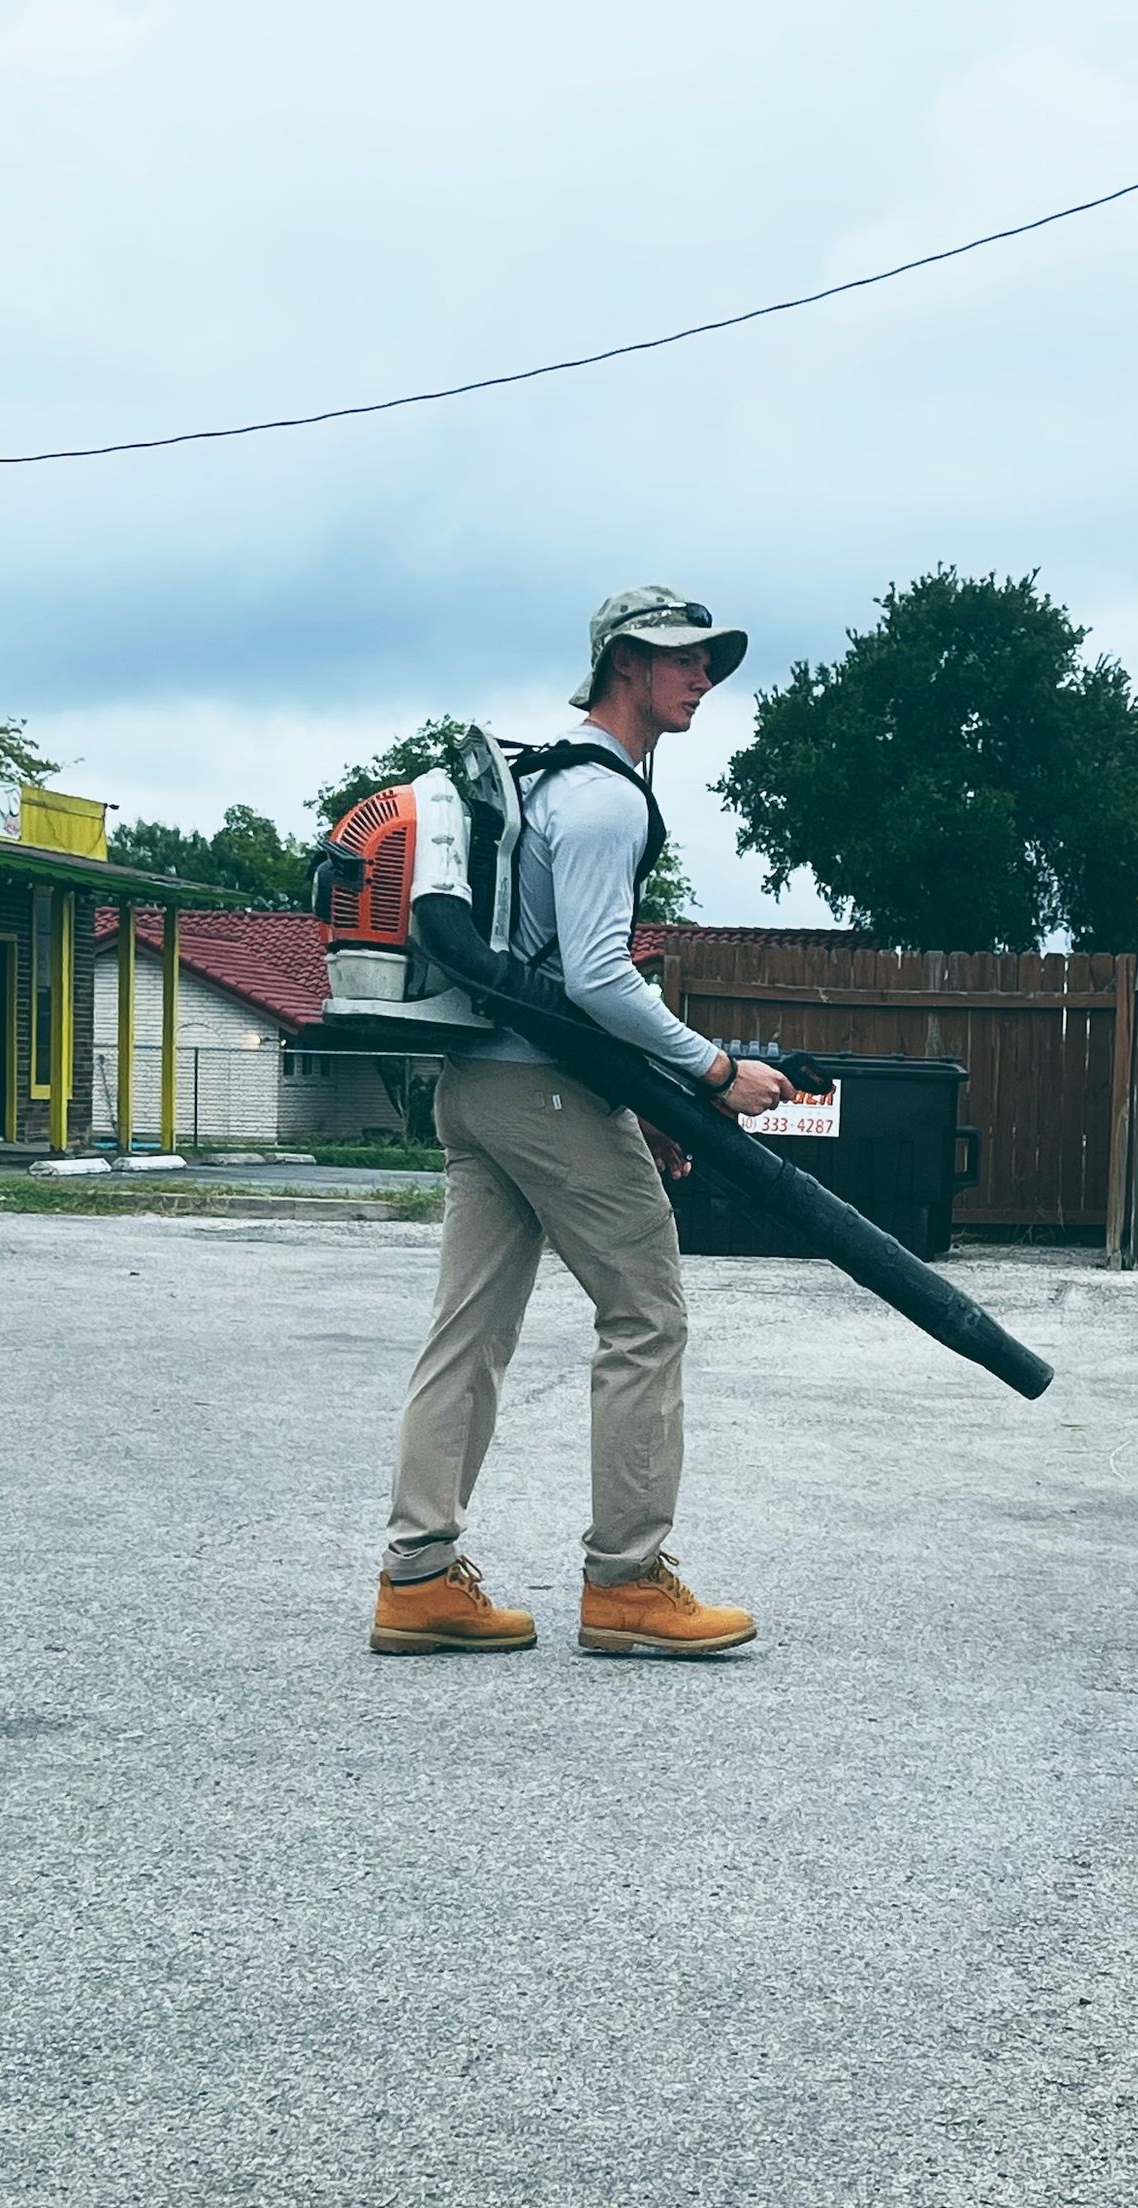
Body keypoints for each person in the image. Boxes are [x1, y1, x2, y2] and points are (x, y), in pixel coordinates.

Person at [369, 586, 793, 1660]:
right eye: (685, 658)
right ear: (625, 664)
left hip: (474, 1083)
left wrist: (636, 1091)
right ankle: (629, 1581)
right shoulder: (604, 797)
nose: (704, 677)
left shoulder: (537, 776)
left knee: (467, 1332)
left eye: (710, 662)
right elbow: (600, 977)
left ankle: (416, 1578)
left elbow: (557, 970)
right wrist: (711, 1068)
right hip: (541, 1088)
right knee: (647, 1310)